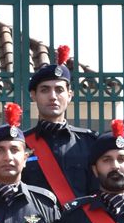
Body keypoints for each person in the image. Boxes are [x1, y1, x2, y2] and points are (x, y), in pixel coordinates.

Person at [21, 46, 97, 204]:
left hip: (79, 219)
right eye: (45, 90)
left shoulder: (90, 142)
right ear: (33, 96)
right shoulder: (21, 144)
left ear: (69, 95)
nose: (53, 96)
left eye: (59, 90)